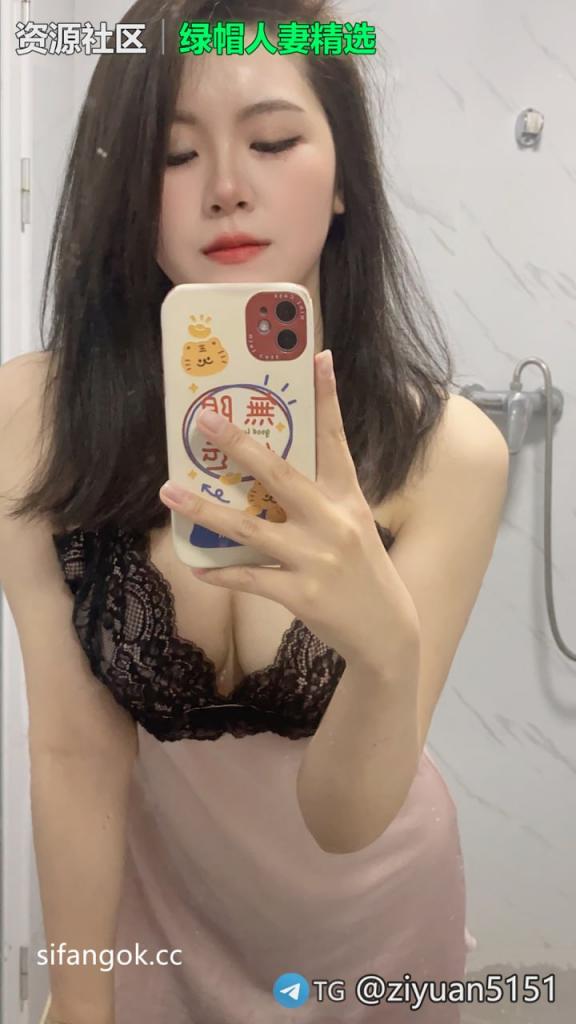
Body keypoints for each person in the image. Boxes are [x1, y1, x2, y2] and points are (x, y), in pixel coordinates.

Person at [0, 1, 509, 1021]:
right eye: (174, 155)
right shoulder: (31, 418)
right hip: (164, 908)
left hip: (375, 914)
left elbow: (345, 818)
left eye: (273, 142)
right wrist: (79, 999)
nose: (227, 187)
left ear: (345, 177)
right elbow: (72, 752)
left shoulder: (450, 453)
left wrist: (384, 653)